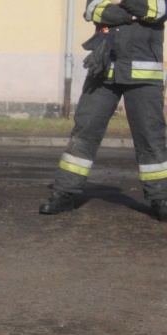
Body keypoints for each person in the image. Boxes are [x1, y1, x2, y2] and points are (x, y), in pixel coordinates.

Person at [40, 0, 167, 220]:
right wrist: (133, 15)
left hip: (144, 76)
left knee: (151, 137)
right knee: (84, 132)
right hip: (103, 70)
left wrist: (121, 2)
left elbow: (158, 10)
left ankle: (160, 198)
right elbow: (93, 11)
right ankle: (64, 193)